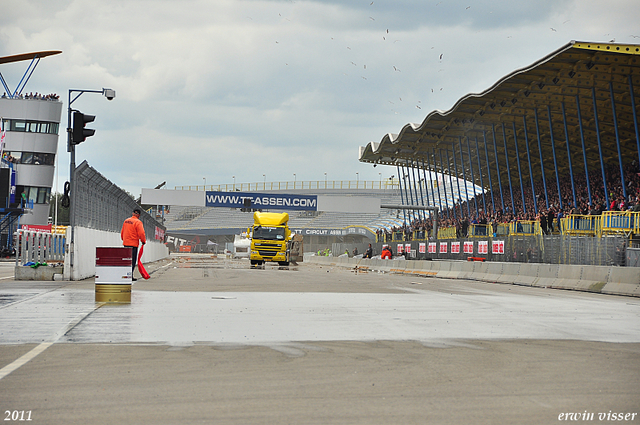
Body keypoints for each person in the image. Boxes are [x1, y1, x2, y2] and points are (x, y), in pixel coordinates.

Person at [121, 208, 146, 281]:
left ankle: (125, 274)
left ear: (132, 213)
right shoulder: (138, 222)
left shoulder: (126, 221)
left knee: (126, 260)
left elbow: (122, 232)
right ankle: (130, 275)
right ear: (139, 215)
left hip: (126, 243)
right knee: (132, 261)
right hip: (133, 244)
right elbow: (141, 233)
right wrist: (143, 241)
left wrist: (124, 239)